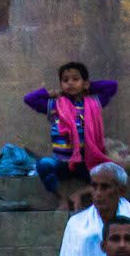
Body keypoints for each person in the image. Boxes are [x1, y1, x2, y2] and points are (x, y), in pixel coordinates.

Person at [24, 61, 117, 205]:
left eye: (75, 79)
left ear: (84, 83)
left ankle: (80, 194)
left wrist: (89, 86)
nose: (70, 83)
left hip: (86, 161)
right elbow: (29, 99)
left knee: (113, 172)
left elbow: (112, 86)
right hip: (61, 161)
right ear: (61, 85)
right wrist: (51, 93)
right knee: (43, 164)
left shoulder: (93, 103)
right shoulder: (56, 106)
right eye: (65, 80)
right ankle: (62, 198)